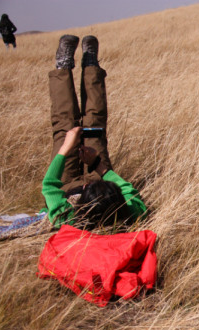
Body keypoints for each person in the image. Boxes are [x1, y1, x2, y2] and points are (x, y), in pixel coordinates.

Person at [42, 35, 147, 229]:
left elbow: (49, 185)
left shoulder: (70, 221)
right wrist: (97, 164)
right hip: (100, 182)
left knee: (65, 127)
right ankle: (91, 67)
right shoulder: (130, 214)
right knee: (94, 125)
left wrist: (66, 146)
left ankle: (63, 68)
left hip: (69, 186)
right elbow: (130, 194)